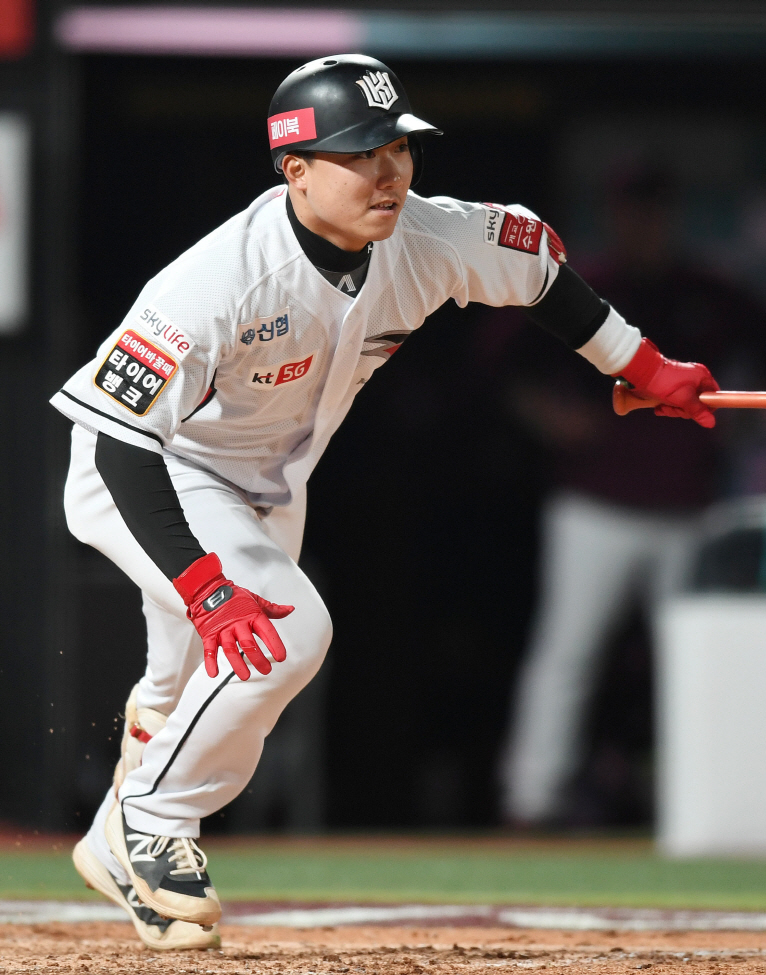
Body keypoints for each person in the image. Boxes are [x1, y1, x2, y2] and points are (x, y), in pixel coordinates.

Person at [52, 55, 717, 951]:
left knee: (191, 689)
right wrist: (205, 586)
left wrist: (644, 366)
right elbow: (118, 439)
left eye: (398, 147)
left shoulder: (430, 235)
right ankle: (153, 818)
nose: (389, 171)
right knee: (283, 632)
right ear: (295, 170)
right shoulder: (216, 281)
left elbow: (540, 275)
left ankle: (118, 834)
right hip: (157, 470)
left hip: (267, 485)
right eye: (361, 153)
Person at [496, 162, 766, 827]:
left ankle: (697, 800)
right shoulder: (586, 285)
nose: (643, 223)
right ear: (613, 215)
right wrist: (547, 416)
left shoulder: (708, 292)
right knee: (567, 652)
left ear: (671, 215)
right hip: (594, 502)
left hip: (684, 505)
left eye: (654, 209)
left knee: (692, 659)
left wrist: (743, 423)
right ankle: (530, 801)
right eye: (631, 209)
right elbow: (501, 363)